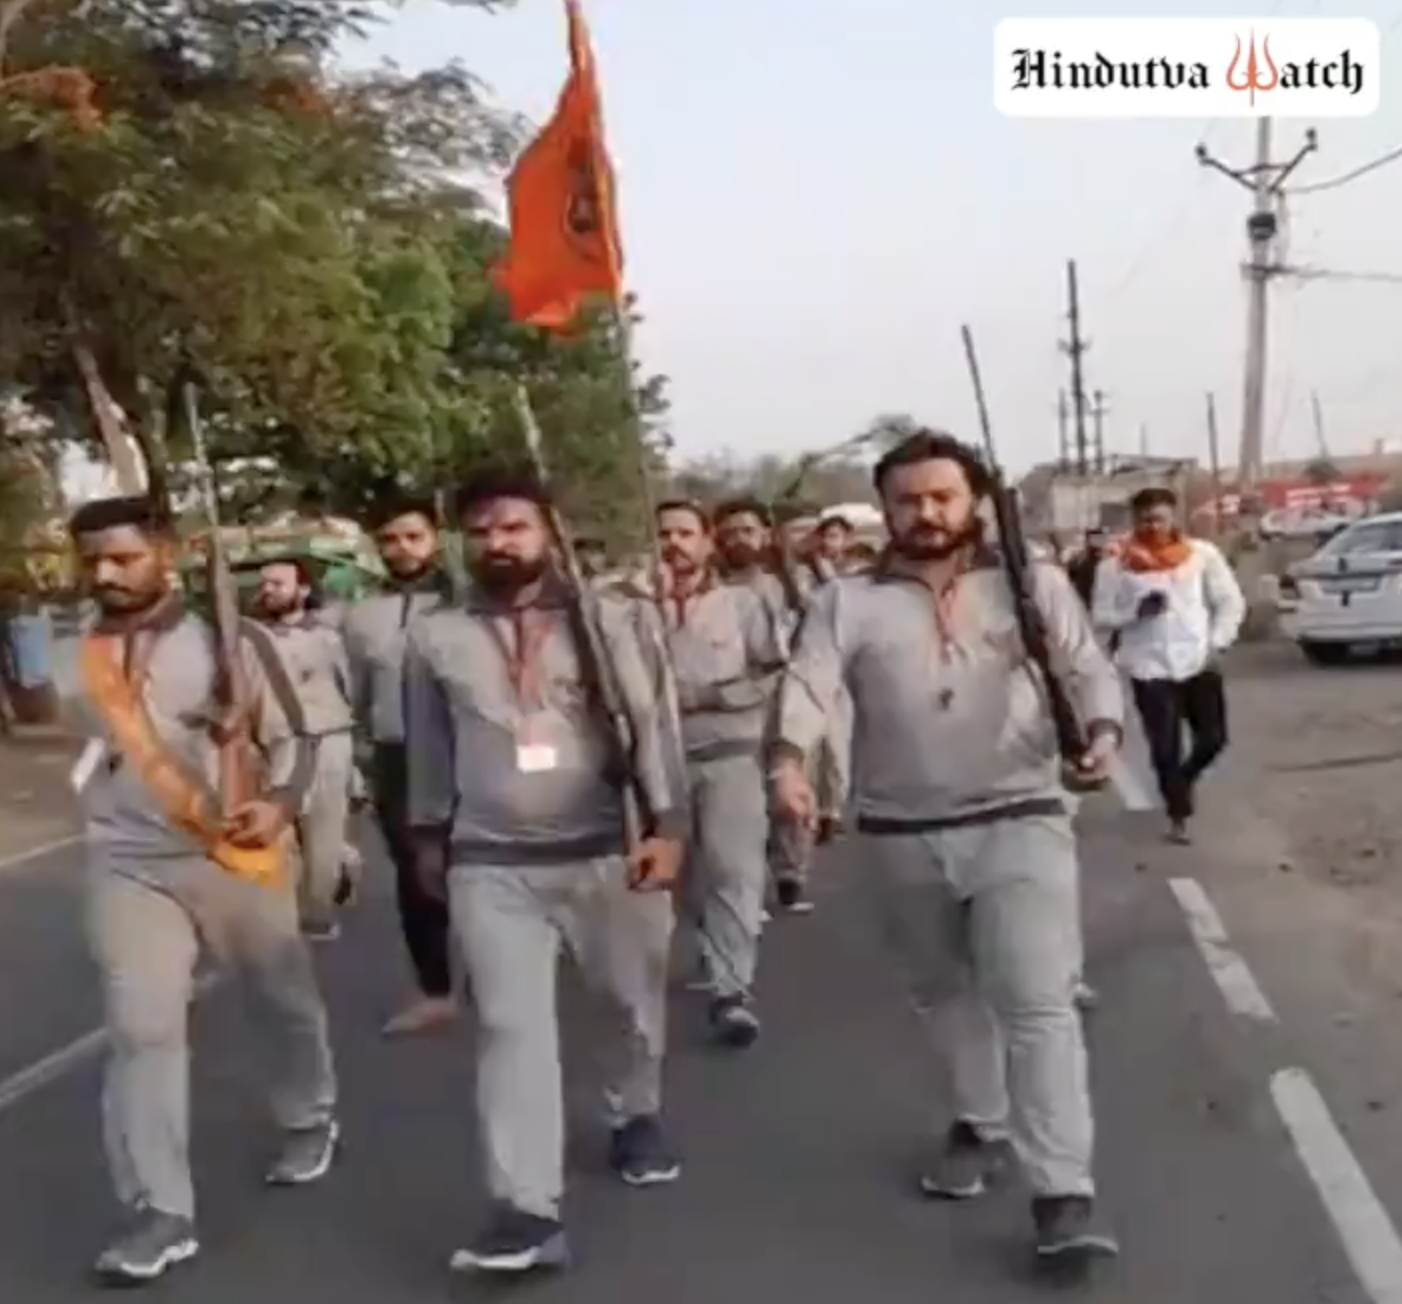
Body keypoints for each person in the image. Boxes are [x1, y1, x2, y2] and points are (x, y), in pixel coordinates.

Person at [770, 430, 1124, 1262]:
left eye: (942, 497)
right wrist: (788, 762)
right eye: (907, 500)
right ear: (883, 510)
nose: (926, 513)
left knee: (1037, 1002)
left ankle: (1063, 1195)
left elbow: (1086, 669)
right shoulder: (845, 601)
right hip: (899, 831)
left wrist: (1101, 735)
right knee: (944, 991)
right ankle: (981, 1118)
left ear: (972, 500)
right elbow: (808, 685)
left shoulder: (1029, 583)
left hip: (1021, 813)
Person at [402, 468, 687, 1274]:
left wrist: (669, 825)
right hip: (491, 864)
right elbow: (428, 746)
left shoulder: (613, 619)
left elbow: (655, 725)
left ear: (550, 530)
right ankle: (525, 1208)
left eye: (515, 528)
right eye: (483, 530)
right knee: (509, 1029)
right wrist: (427, 838)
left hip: (608, 851)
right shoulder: (436, 634)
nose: (499, 543)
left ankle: (637, 1111)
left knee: (626, 1004)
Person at [69, 496, 338, 1285]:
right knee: (140, 1028)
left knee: (278, 997)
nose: (106, 573)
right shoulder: (70, 651)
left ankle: (308, 1114)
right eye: (93, 561)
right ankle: (159, 1208)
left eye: (122, 557)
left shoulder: (231, 639)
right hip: (126, 862)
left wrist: (280, 803)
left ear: (168, 552)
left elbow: (299, 741)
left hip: (235, 855)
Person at [655, 499, 787, 1042]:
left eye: (686, 532)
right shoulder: (628, 608)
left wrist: (709, 696)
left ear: (706, 540)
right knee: (678, 882)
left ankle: (733, 990)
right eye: (663, 533)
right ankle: (714, 949)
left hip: (731, 754)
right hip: (660, 765)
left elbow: (774, 672)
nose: (674, 543)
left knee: (735, 872)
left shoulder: (743, 603)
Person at [341, 494, 458, 1035]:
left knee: (483, 868)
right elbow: (355, 699)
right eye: (389, 539)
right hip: (396, 757)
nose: (402, 548)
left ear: (435, 538)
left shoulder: (466, 603)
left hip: (467, 754)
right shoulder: (361, 616)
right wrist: (357, 764)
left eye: (413, 537)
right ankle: (436, 990)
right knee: (416, 876)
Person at [1091, 487, 1245, 844]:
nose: (1153, 526)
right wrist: (1135, 612)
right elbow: (1100, 617)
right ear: (1134, 521)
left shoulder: (1201, 556)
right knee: (1165, 749)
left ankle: (1183, 780)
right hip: (1149, 668)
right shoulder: (1114, 567)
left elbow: (1230, 602)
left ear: (1174, 518)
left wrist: (1218, 641)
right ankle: (1178, 814)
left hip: (1198, 661)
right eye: (1145, 520)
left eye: (1160, 518)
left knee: (1213, 739)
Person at [254, 556, 358, 940]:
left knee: (323, 833)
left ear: (303, 589)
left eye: (278, 583)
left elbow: (351, 688)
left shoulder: (327, 637)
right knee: (280, 833)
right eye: (264, 583)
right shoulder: (251, 638)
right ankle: (331, 874)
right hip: (272, 746)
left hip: (325, 739)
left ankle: (318, 916)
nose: (267, 591)